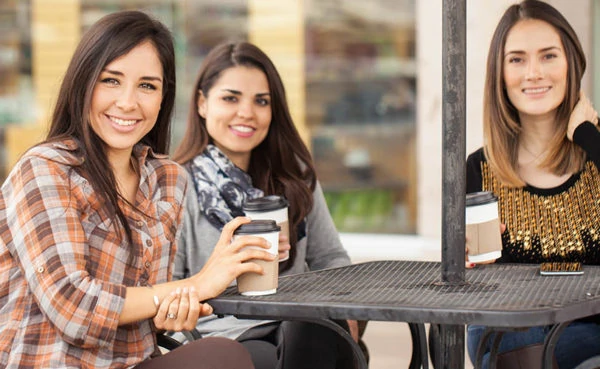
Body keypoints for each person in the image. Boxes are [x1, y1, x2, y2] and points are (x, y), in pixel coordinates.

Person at [0, 11, 275, 369]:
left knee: (249, 353)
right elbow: (72, 308)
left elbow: (148, 306)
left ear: (163, 97)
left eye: (147, 85)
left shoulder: (167, 179)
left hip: (133, 362)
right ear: (83, 83)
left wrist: (175, 308)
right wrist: (196, 285)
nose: (128, 102)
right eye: (111, 81)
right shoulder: (45, 169)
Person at [172, 41, 365, 369]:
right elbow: (168, 288)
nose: (246, 112)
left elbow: (331, 260)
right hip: (224, 337)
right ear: (202, 104)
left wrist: (346, 316)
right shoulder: (177, 186)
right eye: (231, 98)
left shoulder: (295, 177)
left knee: (311, 325)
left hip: (301, 326)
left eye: (261, 101)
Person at [465, 1, 600, 368]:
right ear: (499, 72)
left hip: (592, 332)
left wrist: (589, 137)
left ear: (571, 63)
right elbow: (483, 290)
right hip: (515, 330)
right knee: (516, 334)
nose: (534, 73)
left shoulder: (596, 150)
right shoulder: (479, 168)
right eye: (517, 59)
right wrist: (464, 258)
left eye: (548, 56)